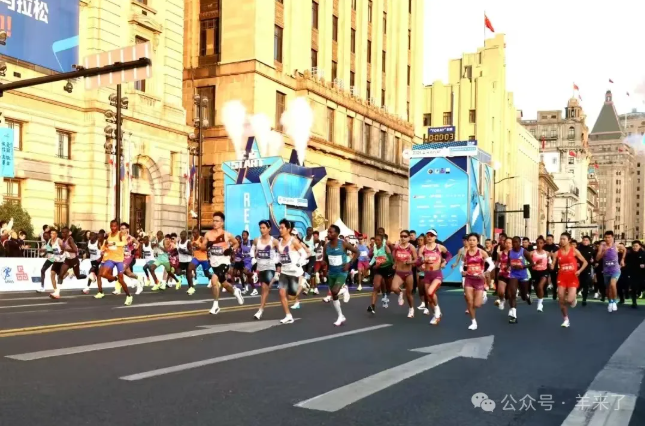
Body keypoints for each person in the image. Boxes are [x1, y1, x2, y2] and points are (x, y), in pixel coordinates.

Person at [207, 212, 244, 315]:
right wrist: (204, 245)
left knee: (214, 280)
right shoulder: (208, 234)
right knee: (224, 284)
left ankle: (216, 306)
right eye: (213, 221)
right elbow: (203, 246)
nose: (214, 223)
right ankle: (235, 292)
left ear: (222, 223)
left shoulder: (227, 234)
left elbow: (236, 243)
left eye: (217, 221)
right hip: (214, 263)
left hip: (224, 262)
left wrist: (230, 249)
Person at [323, 224, 358, 326]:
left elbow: (357, 252)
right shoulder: (326, 246)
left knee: (334, 291)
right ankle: (340, 316)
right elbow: (326, 259)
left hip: (342, 272)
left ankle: (345, 289)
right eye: (328, 232)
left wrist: (349, 263)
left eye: (331, 232)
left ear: (337, 234)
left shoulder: (343, 244)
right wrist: (325, 268)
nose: (328, 233)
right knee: (334, 295)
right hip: (332, 273)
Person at [551, 232, 588, 327]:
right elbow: (553, 265)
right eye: (561, 239)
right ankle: (566, 319)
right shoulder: (557, 253)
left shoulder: (574, 251)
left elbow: (585, 262)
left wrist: (579, 271)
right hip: (561, 277)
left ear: (569, 240)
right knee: (561, 299)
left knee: (570, 300)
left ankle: (573, 299)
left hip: (572, 277)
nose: (562, 241)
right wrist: (550, 265)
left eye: (564, 239)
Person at [275, 219, 308, 324]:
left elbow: (304, 254)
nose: (280, 230)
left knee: (291, 297)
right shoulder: (280, 242)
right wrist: (275, 262)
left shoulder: (293, 241)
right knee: (281, 293)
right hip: (284, 271)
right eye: (279, 228)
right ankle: (288, 315)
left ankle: (302, 284)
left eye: (282, 228)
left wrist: (299, 262)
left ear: (288, 229)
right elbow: (280, 256)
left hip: (294, 272)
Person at [462, 233, 494, 330]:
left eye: (474, 240)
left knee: (477, 304)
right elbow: (461, 265)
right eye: (470, 240)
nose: (471, 242)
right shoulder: (465, 253)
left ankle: (484, 295)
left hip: (479, 280)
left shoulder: (482, 253)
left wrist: (486, 272)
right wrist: (462, 271)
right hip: (469, 279)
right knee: (469, 301)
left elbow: (492, 265)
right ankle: (473, 322)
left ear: (477, 242)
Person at [419, 229, 451, 325]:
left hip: (437, 274)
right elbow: (419, 260)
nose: (429, 237)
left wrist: (445, 262)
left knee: (430, 292)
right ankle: (436, 315)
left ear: (435, 237)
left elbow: (449, 255)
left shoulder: (440, 247)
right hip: (427, 275)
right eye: (428, 235)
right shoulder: (423, 248)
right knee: (429, 299)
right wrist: (421, 264)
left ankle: (437, 310)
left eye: (431, 235)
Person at [97, 220, 133, 305]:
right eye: (111, 226)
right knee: (103, 274)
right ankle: (115, 278)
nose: (113, 228)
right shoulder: (108, 235)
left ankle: (128, 296)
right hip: (110, 258)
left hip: (119, 260)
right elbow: (105, 245)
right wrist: (103, 249)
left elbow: (124, 243)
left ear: (117, 227)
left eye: (114, 226)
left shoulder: (120, 234)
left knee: (121, 280)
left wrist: (114, 243)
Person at [251, 220, 280, 319]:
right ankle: (274, 279)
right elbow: (252, 250)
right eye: (260, 228)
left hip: (270, 267)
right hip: (260, 267)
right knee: (265, 288)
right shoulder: (256, 240)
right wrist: (253, 258)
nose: (262, 230)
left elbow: (281, 252)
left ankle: (260, 310)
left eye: (264, 228)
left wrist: (277, 260)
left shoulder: (274, 241)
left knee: (264, 287)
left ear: (269, 229)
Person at [507, 236, 533, 324]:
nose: (514, 244)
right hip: (513, 274)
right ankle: (514, 316)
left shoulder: (524, 252)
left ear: (519, 243)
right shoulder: (510, 252)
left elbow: (532, 263)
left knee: (523, 296)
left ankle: (527, 296)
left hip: (523, 275)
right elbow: (508, 262)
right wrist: (508, 266)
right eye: (513, 242)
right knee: (512, 294)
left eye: (516, 242)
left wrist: (523, 266)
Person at [595, 231, 623, 312]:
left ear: (612, 237)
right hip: (606, 270)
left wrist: (623, 259)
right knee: (608, 289)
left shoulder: (616, 245)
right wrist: (604, 251)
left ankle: (614, 301)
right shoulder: (602, 246)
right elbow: (597, 258)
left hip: (616, 270)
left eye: (609, 237)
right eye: (606, 237)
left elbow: (624, 250)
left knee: (613, 284)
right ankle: (610, 302)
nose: (607, 239)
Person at [367, 234, 394, 314]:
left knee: (390, 288)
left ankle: (394, 294)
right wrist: (370, 264)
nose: (376, 241)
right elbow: (374, 257)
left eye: (378, 240)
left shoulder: (385, 247)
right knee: (376, 286)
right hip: (379, 269)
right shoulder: (374, 247)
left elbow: (390, 259)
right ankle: (372, 306)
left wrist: (381, 263)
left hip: (387, 268)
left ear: (382, 241)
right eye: (376, 240)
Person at [186, 227, 211, 295]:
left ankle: (212, 279)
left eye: (195, 232)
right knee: (189, 269)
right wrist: (190, 249)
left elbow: (207, 249)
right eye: (193, 232)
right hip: (196, 258)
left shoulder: (201, 239)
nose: (193, 233)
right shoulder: (192, 239)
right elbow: (190, 248)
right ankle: (191, 288)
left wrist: (198, 246)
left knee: (206, 273)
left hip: (203, 259)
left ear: (198, 233)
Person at [531, 236, 550, 312]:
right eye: (538, 243)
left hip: (544, 272)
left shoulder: (547, 253)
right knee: (537, 290)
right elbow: (528, 263)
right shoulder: (532, 253)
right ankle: (540, 299)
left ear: (543, 244)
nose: (539, 244)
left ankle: (539, 304)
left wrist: (551, 265)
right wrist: (535, 263)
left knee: (540, 286)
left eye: (541, 243)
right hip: (535, 272)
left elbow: (550, 262)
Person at [625, 240, 645, 309]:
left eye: (636, 246)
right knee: (633, 288)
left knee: (642, 286)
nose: (635, 247)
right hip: (633, 274)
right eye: (633, 246)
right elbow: (627, 263)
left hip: (642, 274)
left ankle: (639, 292)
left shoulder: (643, 254)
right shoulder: (629, 254)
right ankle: (634, 302)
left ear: (640, 246)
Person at [577, 236, 595, 306]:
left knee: (586, 284)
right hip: (578, 269)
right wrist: (576, 262)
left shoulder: (591, 249)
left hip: (587, 269)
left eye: (587, 240)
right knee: (578, 284)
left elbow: (594, 259)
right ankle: (574, 295)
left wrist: (593, 261)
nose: (585, 241)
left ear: (589, 241)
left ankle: (584, 299)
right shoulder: (578, 248)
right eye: (584, 240)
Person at [495, 238, 512, 310]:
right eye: (506, 243)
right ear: (504, 244)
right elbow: (497, 262)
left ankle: (512, 308)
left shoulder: (515, 253)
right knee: (501, 292)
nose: (508, 244)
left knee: (509, 294)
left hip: (512, 275)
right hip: (502, 273)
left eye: (510, 243)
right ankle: (502, 300)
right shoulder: (500, 253)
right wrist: (494, 268)